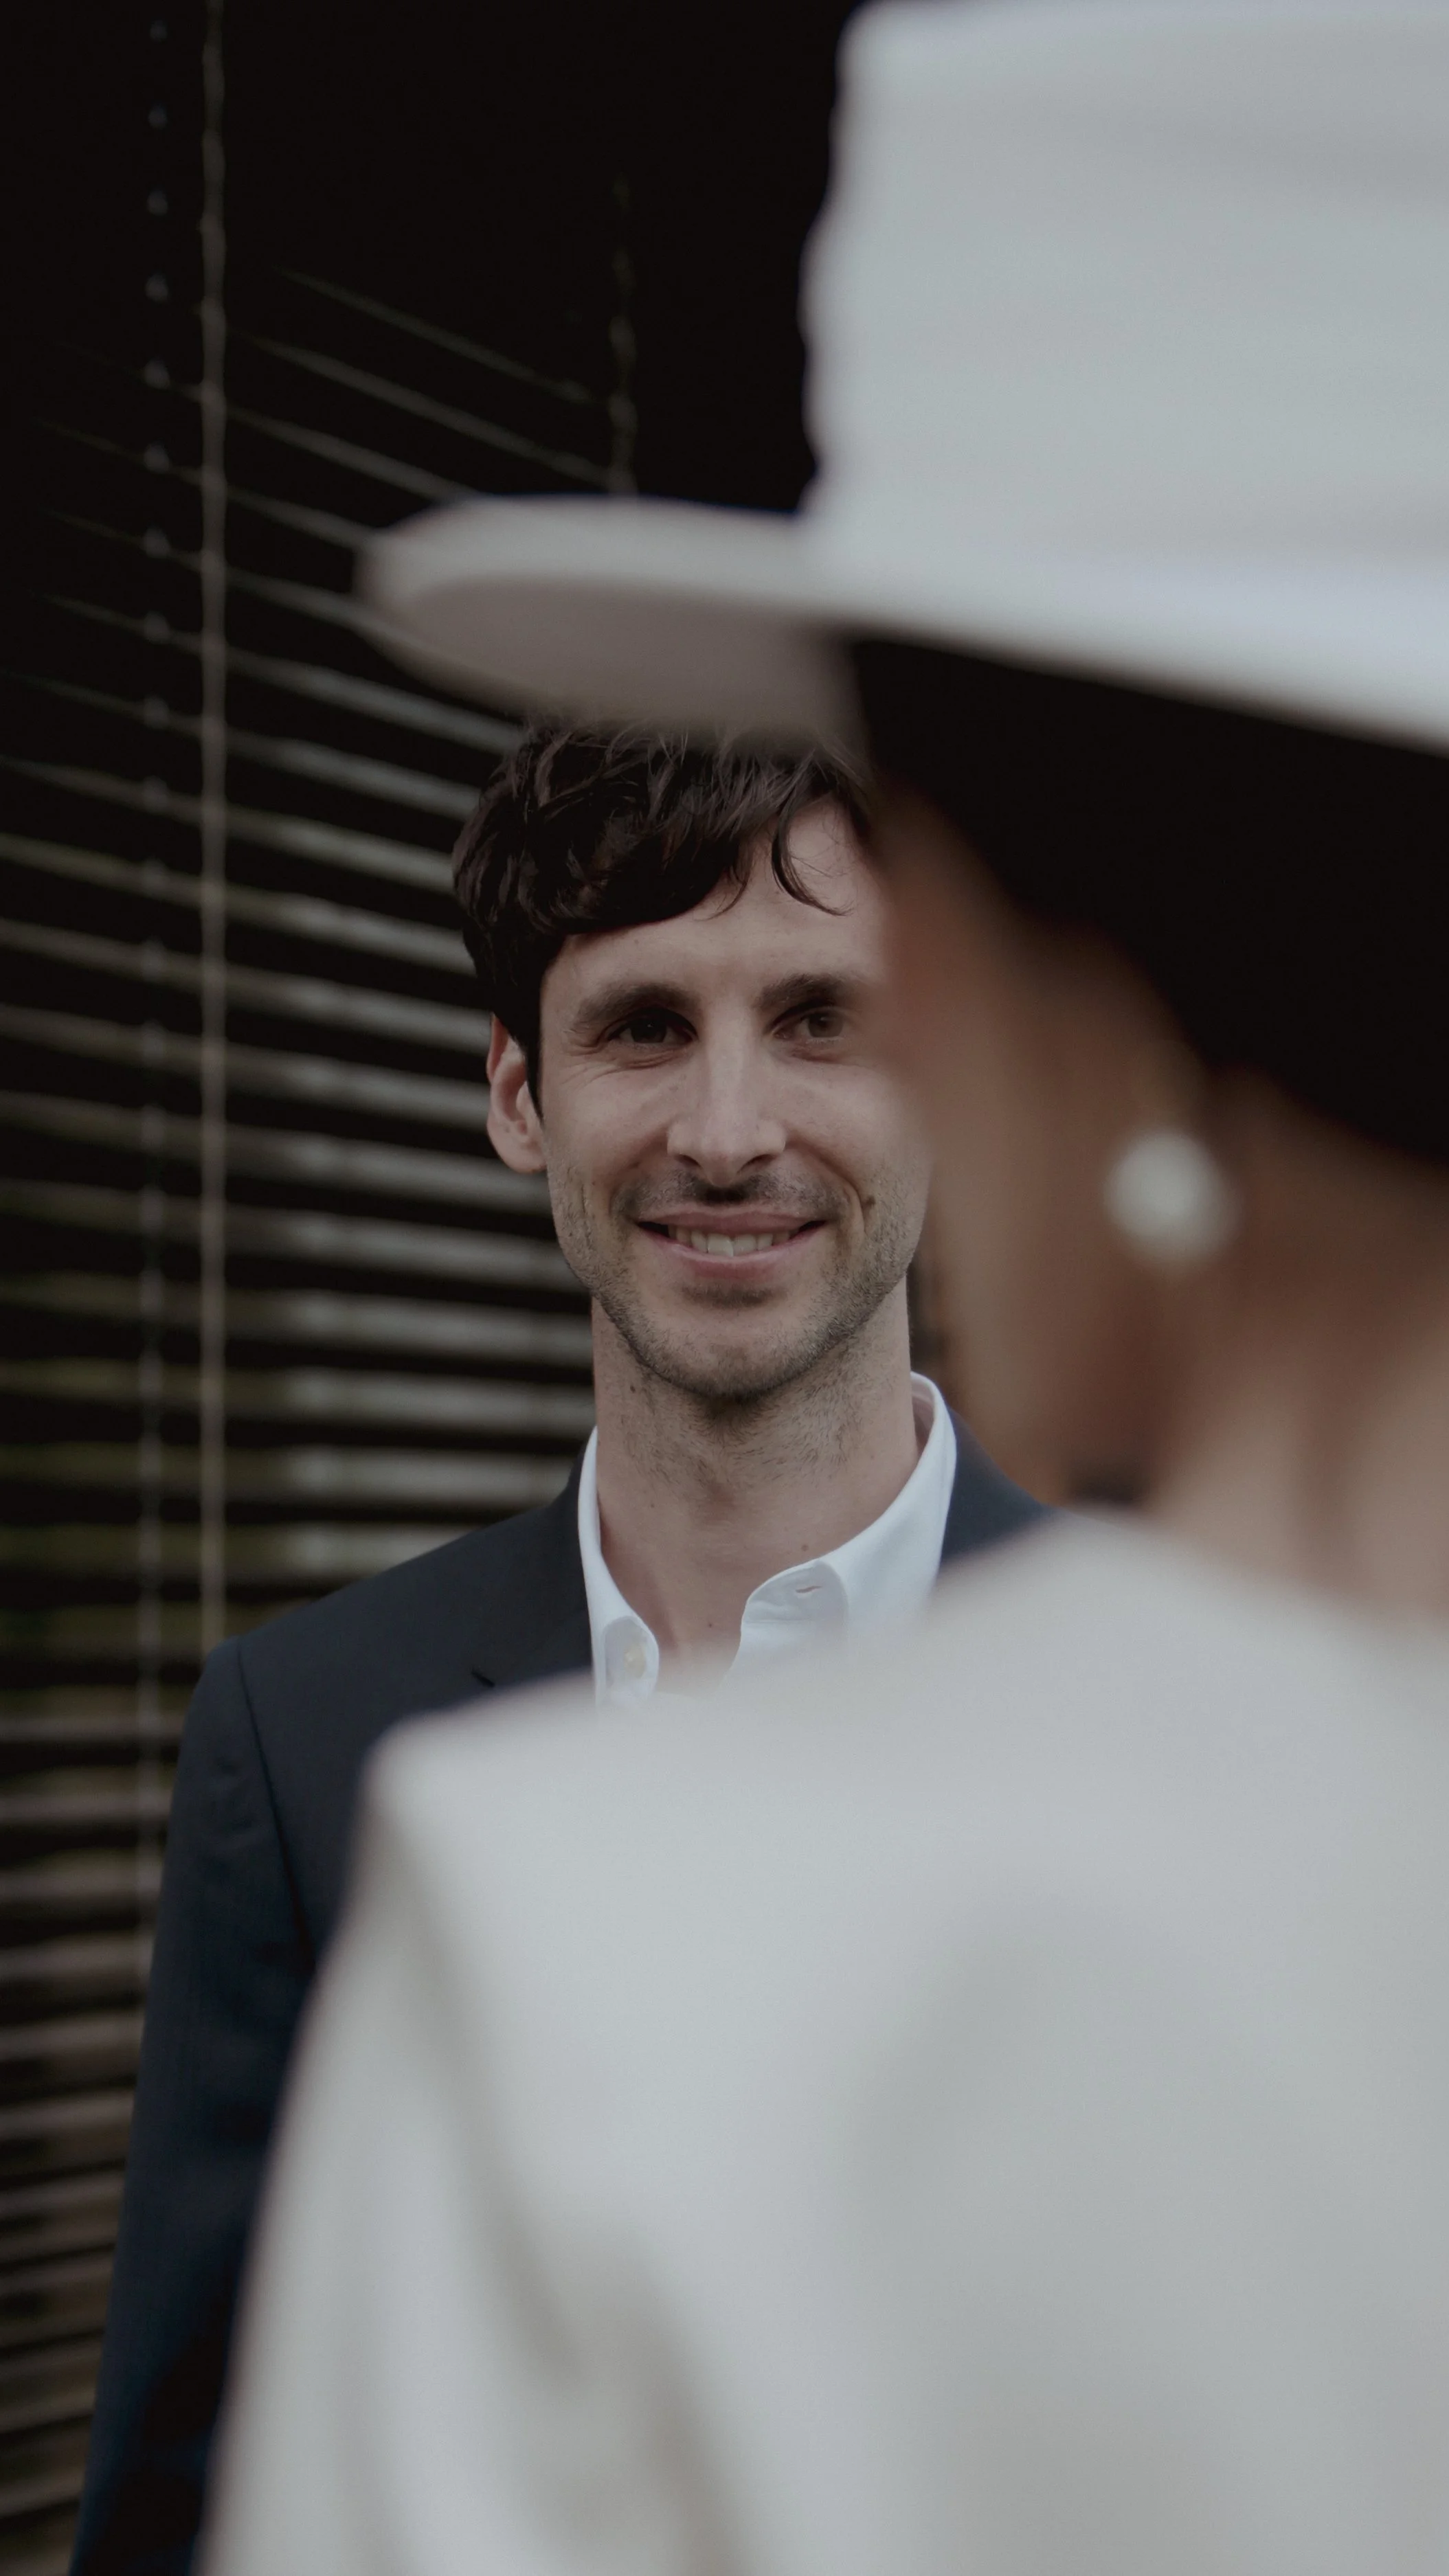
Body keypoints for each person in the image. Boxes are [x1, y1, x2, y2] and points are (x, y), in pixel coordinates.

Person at [205, 3, 1449, 2571]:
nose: (751, 1115)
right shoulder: (343, 1743)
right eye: (640, 1032)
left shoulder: (615, 1974)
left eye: (856, 981)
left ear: (1044, 983)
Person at [72, 726, 1048, 2576]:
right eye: (643, 1026)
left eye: (821, 1017)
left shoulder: (1194, 1700)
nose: (730, 1128)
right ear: (519, 1093)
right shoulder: (299, 1739)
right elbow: (194, 2516)